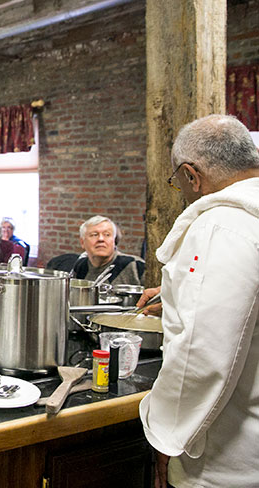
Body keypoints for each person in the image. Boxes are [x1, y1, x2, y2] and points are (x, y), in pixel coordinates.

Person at [135, 114, 259, 488]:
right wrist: (175, 293)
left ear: (191, 175)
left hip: (228, 463)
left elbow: (202, 355)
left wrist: (165, 436)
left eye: (178, 182)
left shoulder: (220, 226)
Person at [71, 215, 144, 286]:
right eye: (94, 235)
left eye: (107, 234)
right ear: (82, 242)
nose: (101, 239)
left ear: (114, 240)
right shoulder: (81, 266)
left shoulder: (135, 265)